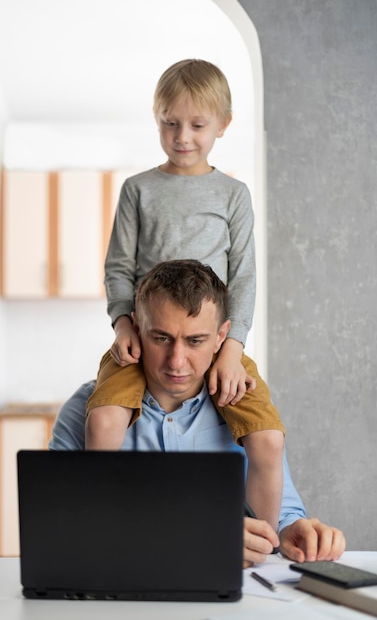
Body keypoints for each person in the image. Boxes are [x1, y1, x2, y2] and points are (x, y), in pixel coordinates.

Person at [86, 59, 285, 531]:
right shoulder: (138, 190)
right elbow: (118, 266)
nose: (182, 137)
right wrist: (123, 325)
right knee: (102, 424)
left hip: (214, 343)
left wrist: (231, 351)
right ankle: (98, 531)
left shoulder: (233, 194)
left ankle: (263, 549)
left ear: (223, 125)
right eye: (169, 123)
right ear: (156, 119)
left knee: (268, 439)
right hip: (144, 336)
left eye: (197, 125)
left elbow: (244, 278)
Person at [50, 260, 346, 568]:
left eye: (196, 341)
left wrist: (291, 532)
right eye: (161, 338)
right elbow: (58, 528)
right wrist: (197, 537)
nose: (177, 362)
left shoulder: (246, 409)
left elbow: (282, 512)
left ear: (221, 337)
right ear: (136, 329)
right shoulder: (83, 410)